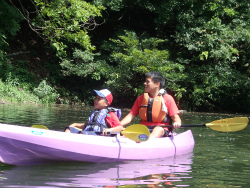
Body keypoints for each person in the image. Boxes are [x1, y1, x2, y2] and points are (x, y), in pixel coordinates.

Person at [119, 72, 181, 138]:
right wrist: (118, 125)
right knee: (128, 131)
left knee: (158, 129)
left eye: (147, 82)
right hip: (144, 129)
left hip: (162, 129)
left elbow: (175, 117)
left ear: (157, 84)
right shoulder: (141, 98)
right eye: (145, 81)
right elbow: (131, 116)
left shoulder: (167, 98)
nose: (144, 83)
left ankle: (147, 140)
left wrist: (177, 122)